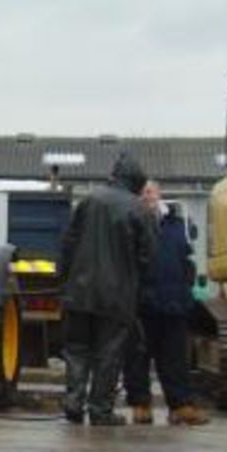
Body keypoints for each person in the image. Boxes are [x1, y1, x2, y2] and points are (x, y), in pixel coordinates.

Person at [56, 151, 152, 426]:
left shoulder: (88, 201)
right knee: (108, 353)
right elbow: (147, 256)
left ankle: (73, 404)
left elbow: (68, 244)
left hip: (79, 293)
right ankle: (100, 409)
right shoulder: (139, 209)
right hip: (117, 297)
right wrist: (137, 288)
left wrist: (64, 283)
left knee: (77, 349)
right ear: (135, 181)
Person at [124, 182, 209, 425]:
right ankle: (141, 405)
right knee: (137, 358)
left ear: (159, 194)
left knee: (175, 359)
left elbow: (187, 261)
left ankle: (180, 406)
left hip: (174, 303)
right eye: (141, 193)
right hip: (141, 304)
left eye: (150, 191)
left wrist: (185, 291)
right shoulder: (131, 226)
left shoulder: (178, 226)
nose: (146, 196)